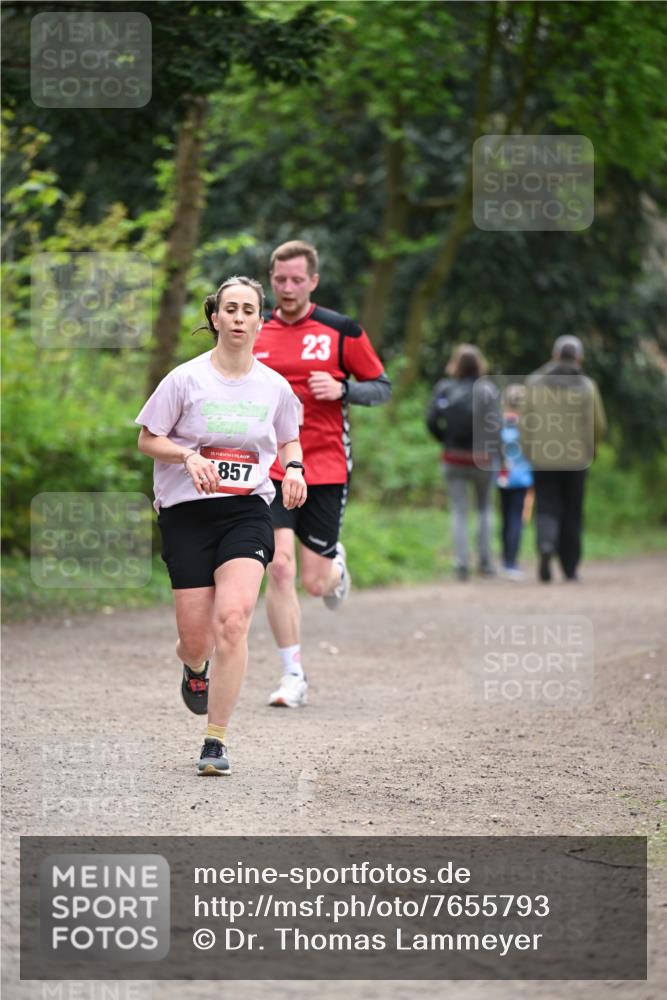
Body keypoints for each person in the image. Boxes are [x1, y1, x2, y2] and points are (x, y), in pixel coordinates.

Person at [136, 276, 306, 775]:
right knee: (197, 640)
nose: (238, 317)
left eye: (247, 310)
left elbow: (289, 439)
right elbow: (148, 439)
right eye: (230, 308)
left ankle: (215, 740)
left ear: (260, 321)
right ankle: (194, 668)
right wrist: (187, 457)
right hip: (187, 513)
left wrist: (295, 468)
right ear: (215, 317)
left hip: (246, 511)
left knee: (232, 621)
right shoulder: (184, 379)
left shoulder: (274, 386)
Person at [253, 240, 391, 708]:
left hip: (326, 466)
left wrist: (343, 388)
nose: (288, 288)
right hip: (271, 467)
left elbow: (382, 387)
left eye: (297, 280)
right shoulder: (255, 328)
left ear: (313, 281)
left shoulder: (340, 330)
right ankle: (292, 674)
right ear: (271, 280)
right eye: (280, 279)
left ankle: (336, 567)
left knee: (315, 583)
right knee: (279, 566)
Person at [522, 335, 606, 582]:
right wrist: (591, 450)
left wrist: (528, 449)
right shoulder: (587, 386)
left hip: (543, 455)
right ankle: (570, 568)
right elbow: (598, 424)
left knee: (546, 505)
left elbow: (525, 422)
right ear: (579, 358)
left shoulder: (534, 383)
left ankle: (546, 545)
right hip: (576, 457)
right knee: (572, 510)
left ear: (555, 356)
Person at [427, 344, 501, 581]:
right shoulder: (488, 389)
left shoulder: (444, 388)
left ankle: (461, 564)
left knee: (459, 511)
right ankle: (485, 562)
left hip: (453, 458)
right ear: (480, 365)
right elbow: (496, 426)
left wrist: (445, 441)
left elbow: (431, 421)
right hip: (483, 459)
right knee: (485, 508)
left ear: (455, 364)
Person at [497, 384, 533, 581]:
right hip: (522, 477)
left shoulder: (498, 422)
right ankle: (511, 562)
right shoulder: (529, 424)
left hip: (502, 476)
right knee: (516, 518)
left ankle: (505, 559)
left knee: (504, 517)